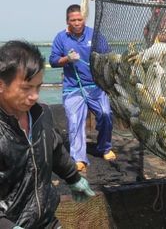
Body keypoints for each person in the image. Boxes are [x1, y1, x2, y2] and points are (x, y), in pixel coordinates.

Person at [0, 40, 96, 229]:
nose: (34, 96)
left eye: (38, 87)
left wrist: (74, 178)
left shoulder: (42, 113)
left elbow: (55, 150)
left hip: (47, 221)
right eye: (26, 88)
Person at [49, 4, 116, 173]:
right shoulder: (61, 38)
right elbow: (53, 60)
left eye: (80, 19)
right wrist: (66, 59)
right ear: (67, 21)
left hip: (95, 86)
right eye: (73, 20)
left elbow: (107, 55)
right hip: (73, 88)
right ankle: (79, 158)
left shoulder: (94, 34)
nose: (77, 23)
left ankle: (104, 147)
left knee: (106, 114)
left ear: (84, 19)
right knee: (74, 121)